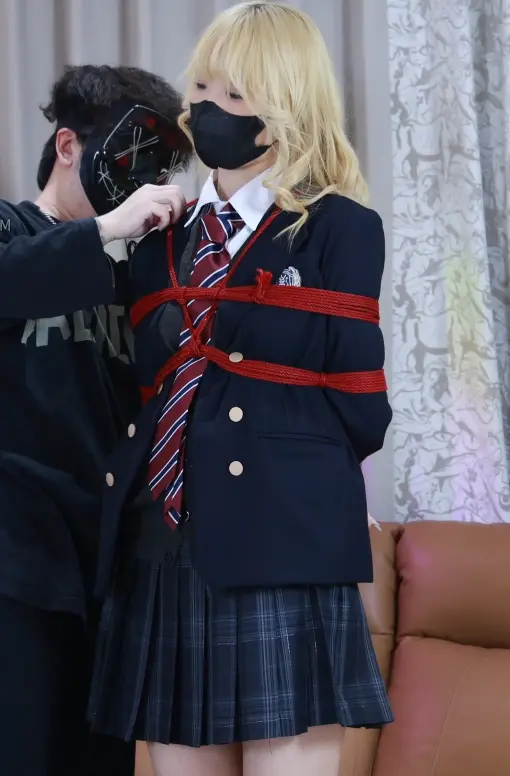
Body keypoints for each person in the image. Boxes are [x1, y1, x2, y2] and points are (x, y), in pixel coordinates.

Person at [88, 4, 393, 775]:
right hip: (160, 546)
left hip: (280, 541)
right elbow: (141, 386)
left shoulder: (338, 228)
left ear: (286, 106)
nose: (204, 108)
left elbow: (360, 401)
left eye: (233, 93)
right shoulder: (157, 239)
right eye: (200, 87)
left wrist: (310, 482)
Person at [0, 64, 191, 776]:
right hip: (19, 555)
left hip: (109, 566)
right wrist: (107, 228)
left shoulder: (138, 278)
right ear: (68, 146)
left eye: (159, 170)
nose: (144, 184)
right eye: (131, 161)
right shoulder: (12, 231)